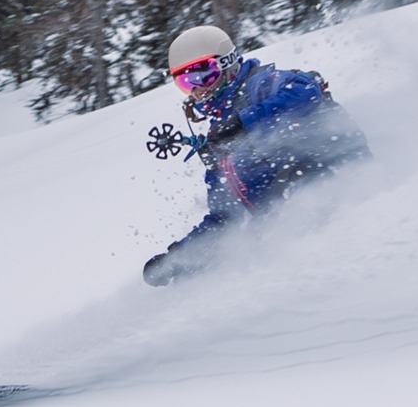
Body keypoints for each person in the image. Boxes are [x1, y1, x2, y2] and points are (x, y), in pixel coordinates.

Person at [143, 25, 369, 286]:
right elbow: (224, 218)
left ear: (227, 64)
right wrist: (180, 258)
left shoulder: (259, 85)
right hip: (292, 234)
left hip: (342, 191)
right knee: (253, 243)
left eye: (204, 76)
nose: (197, 90)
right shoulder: (219, 141)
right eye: (185, 83)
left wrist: (243, 122)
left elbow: (306, 89)